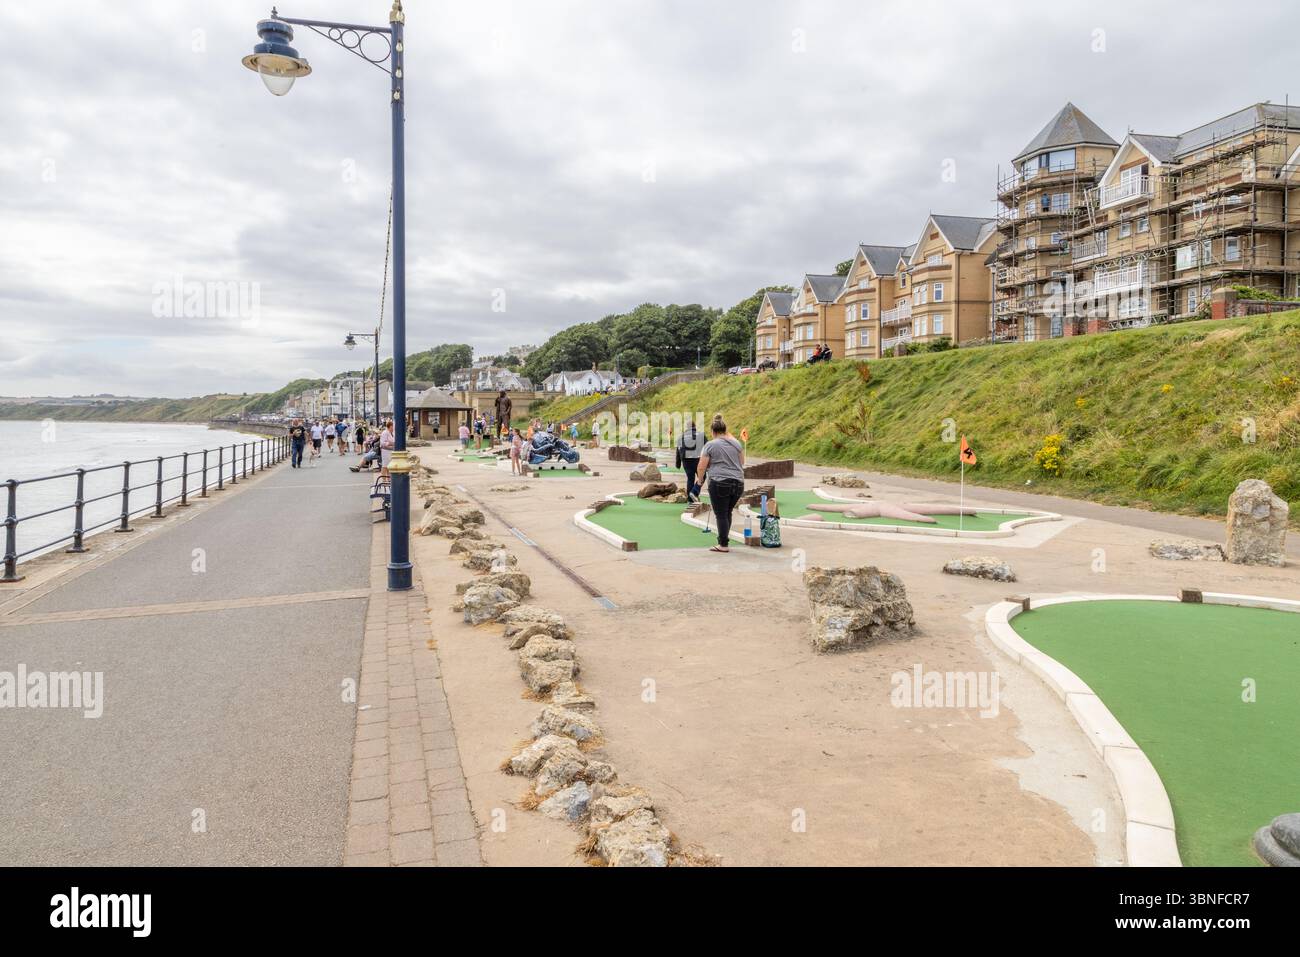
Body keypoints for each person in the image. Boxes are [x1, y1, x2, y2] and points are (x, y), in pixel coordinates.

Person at [697, 413, 745, 553]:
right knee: (727, 512)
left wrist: (700, 481)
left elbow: (701, 466)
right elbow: (741, 462)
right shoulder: (737, 444)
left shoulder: (710, 445)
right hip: (738, 483)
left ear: (712, 431)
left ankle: (723, 544)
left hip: (720, 482)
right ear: (725, 430)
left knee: (721, 514)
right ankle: (724, 540)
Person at [676, 417, 706, 503]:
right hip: (697, 458)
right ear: (694, 426)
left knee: (690, 479)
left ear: (687, 427)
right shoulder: (700, 434)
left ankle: (690, 500)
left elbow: (678, 451)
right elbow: (708, 447)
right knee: (702, 477)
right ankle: (694, 492)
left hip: (685, 460)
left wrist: (678, 464)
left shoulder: (681, 437)